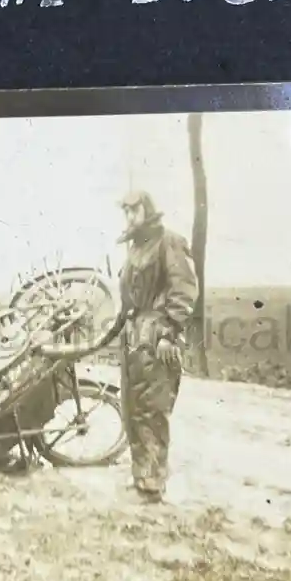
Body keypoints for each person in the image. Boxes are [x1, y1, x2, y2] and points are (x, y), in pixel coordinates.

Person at [117, 190, 199, 504]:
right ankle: (142, 475)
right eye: (125, 212)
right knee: (132, 408)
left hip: (157, 335)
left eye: (133, 211)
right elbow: (128, 297)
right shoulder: (136, 248)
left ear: (147, 210)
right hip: (134, 335)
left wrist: (169, 331)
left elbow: (183, 290)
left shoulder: (169, 242)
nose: (128, 217)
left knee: (153, 408)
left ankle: (153, 483)